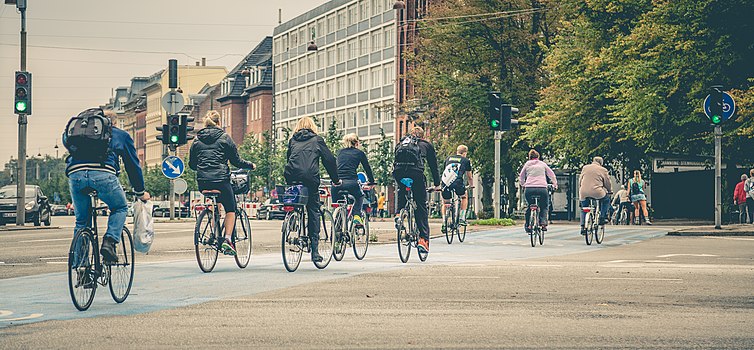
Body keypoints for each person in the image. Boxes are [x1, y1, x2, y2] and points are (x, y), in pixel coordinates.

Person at [64, 109, 150, 262]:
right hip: (103, 174)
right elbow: (132, 165)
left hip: (75, 174)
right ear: (113, 123)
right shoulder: (120, 135)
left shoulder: (79, 132)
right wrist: (140, 191)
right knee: (120, 207)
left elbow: (66, 142)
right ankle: (109, 242)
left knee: (82, 221)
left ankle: (81, 267)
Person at [189, 110, 256, 256]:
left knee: (216, 205)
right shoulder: (225, 138)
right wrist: (250, 165)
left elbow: (192, 165)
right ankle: (227, 239)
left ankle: (213, 233)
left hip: (203, 183)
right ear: (219, 123)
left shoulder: (196, 140)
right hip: (221, 180)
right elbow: (236, 161)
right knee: (231, 209)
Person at [283, 116, 340, 262]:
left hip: (292, 176)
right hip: (310, 178)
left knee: (296, 201)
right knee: (313, 210)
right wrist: (335, 179)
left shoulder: (292, 140)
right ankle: (315, 251)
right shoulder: (317, 140)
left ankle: (293, 220)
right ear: (312, 127)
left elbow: (289, 158)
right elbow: (329, 160)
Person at [393, 126, 440, 255]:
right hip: (416, 173)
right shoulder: (426, 145)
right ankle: (423, 240)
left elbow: (395, 161)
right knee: (420, 205)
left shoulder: (401, 143)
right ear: (422, 136)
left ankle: (398, 214)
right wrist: (437, 184)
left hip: (399, 172)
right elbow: (433, 166)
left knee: (402, 190)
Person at [333, 134, 374, 226]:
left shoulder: (339, 152)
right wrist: (371, 181)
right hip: (352, 183)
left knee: (337, 204)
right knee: (360, 196)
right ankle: (356, 215)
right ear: (357, 143)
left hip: (337, 183)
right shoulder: (359, 153)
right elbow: (367, 168)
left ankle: (336, 230)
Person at [519, 149, 558, 233]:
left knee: (530, 206)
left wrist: (523, 184)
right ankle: (543, 223)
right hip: (542, 188)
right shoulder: (543, 164)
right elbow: (551, 175)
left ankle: (528, 225)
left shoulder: (527, 164)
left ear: (529, 157)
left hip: (529, 189)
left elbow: (521, 176)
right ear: (538, 157)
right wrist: (555, 184)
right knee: (544, 206)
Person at [441, 144, 474, 233]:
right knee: (464, 196)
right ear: (465, 153)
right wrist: (471, 185)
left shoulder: (448, 158)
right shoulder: (465, 160)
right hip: (457, 182)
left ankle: (444, 222)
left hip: (445, 183)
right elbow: (469, 176)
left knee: (445, 203)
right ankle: (462, 217)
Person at [579, 156, 612, 233]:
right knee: (606, 199)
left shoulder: (585, 168)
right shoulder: (603, 170)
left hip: (584, 191)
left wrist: (581, 188)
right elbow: (607, 182)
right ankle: (602, 217)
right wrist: (610, 191)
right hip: (597, 191)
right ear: (601, 163)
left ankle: (583, 227)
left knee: (584, 208)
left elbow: (580, 180)